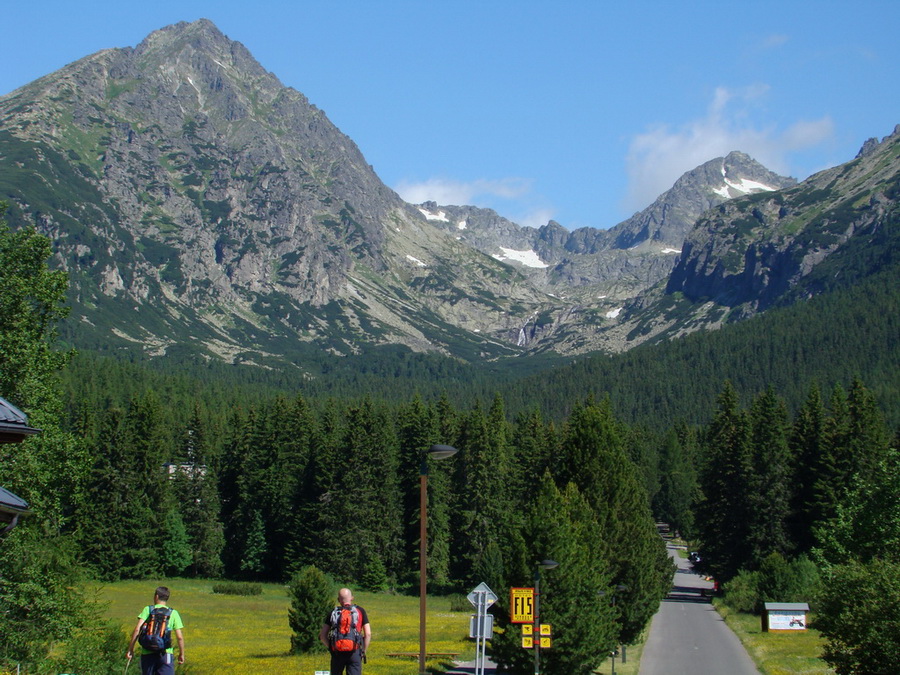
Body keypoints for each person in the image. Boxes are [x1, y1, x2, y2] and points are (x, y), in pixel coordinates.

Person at [126, 586, 186, 674]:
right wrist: (181, 654)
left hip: (147, 653)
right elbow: (180, 637)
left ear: (156, 596)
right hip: (166, 653)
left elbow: (137, 629)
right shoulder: (173, 613)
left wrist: (131, 649)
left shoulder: (148, 610)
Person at [319, 587, 371, 675]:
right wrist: (363, 651)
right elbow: (368, 634)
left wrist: (331, 647)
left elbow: (322, 635)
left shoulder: (333, 612)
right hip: (354, 651)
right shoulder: (360, 611)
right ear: (352, 598)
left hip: (337, 652)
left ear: (338, 600)